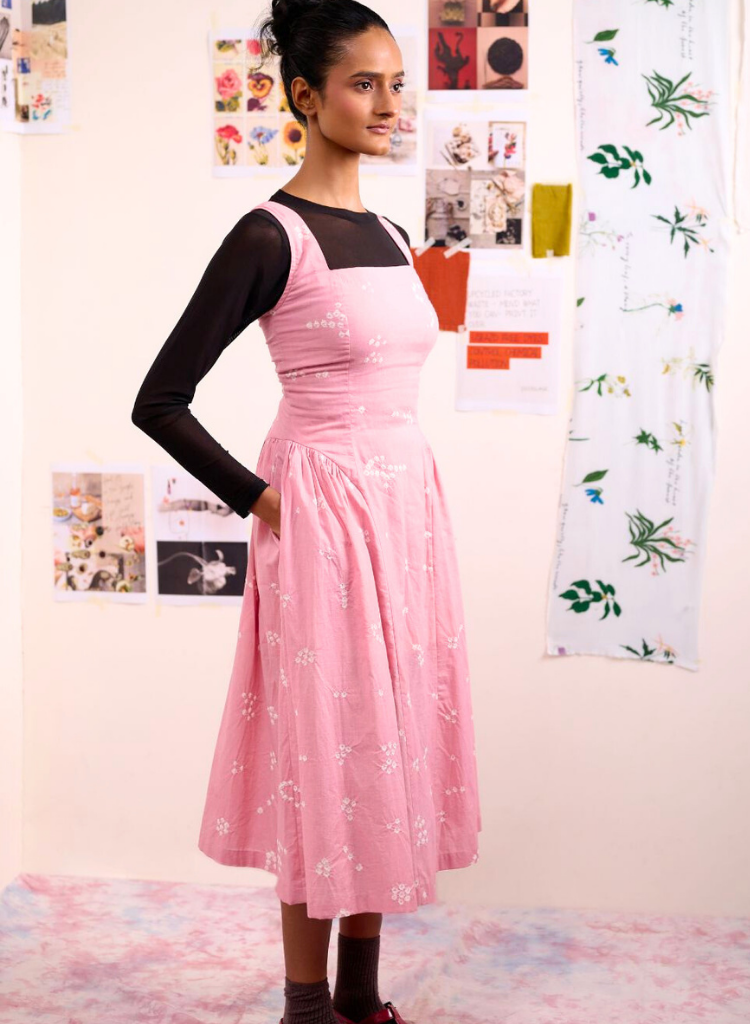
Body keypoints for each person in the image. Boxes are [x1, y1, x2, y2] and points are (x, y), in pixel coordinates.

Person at [131, 1, 482, 1021]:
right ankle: (306, 1006)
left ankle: (361, 998)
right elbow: (160, 399)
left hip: (406, 517)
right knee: (326, 746)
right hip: (322, 517)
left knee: (389, 737)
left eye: (395, 82)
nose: (388, 102)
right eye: (363, 83)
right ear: (304, 96)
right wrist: (268, 501)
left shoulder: (394, 233)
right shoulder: (267, 235)